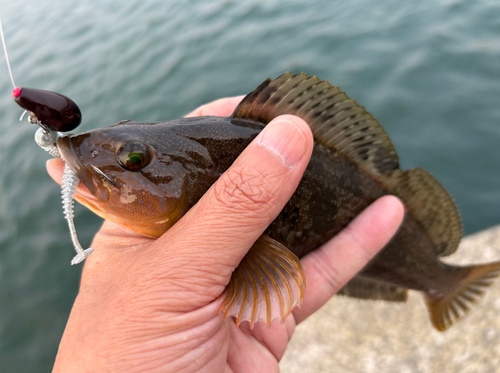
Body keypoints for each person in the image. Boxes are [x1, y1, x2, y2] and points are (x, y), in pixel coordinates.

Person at [49, 96, 404, 373]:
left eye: (134, 157)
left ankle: (441, 283)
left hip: (380, 227)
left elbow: (269, 280)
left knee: (389, 224)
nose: (93, 156)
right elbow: (267, 280)